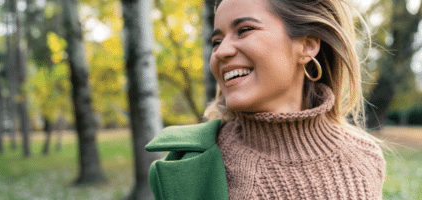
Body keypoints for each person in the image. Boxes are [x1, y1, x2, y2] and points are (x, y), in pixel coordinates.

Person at [146, 0, 386, 199]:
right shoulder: (190, 168)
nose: (221, 52)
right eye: (216, 42)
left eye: (244, 30)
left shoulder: (364, 159)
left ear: (307, 45)